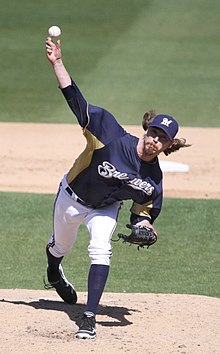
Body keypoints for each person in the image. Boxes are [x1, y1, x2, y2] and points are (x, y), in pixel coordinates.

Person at [44, 36, 190, 340]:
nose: (154, 140)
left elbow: (142, 214)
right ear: (146, 128)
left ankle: (89, 316)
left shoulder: (153, 181)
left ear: (166, 146)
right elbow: (75, 100)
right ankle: (54, 270)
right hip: (71, 197)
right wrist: (58, 63)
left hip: (106, 208)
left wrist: (146, 226)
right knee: (61, 247)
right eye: (153, 132)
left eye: (162, 139)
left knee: (101, 250)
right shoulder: (109, 133)